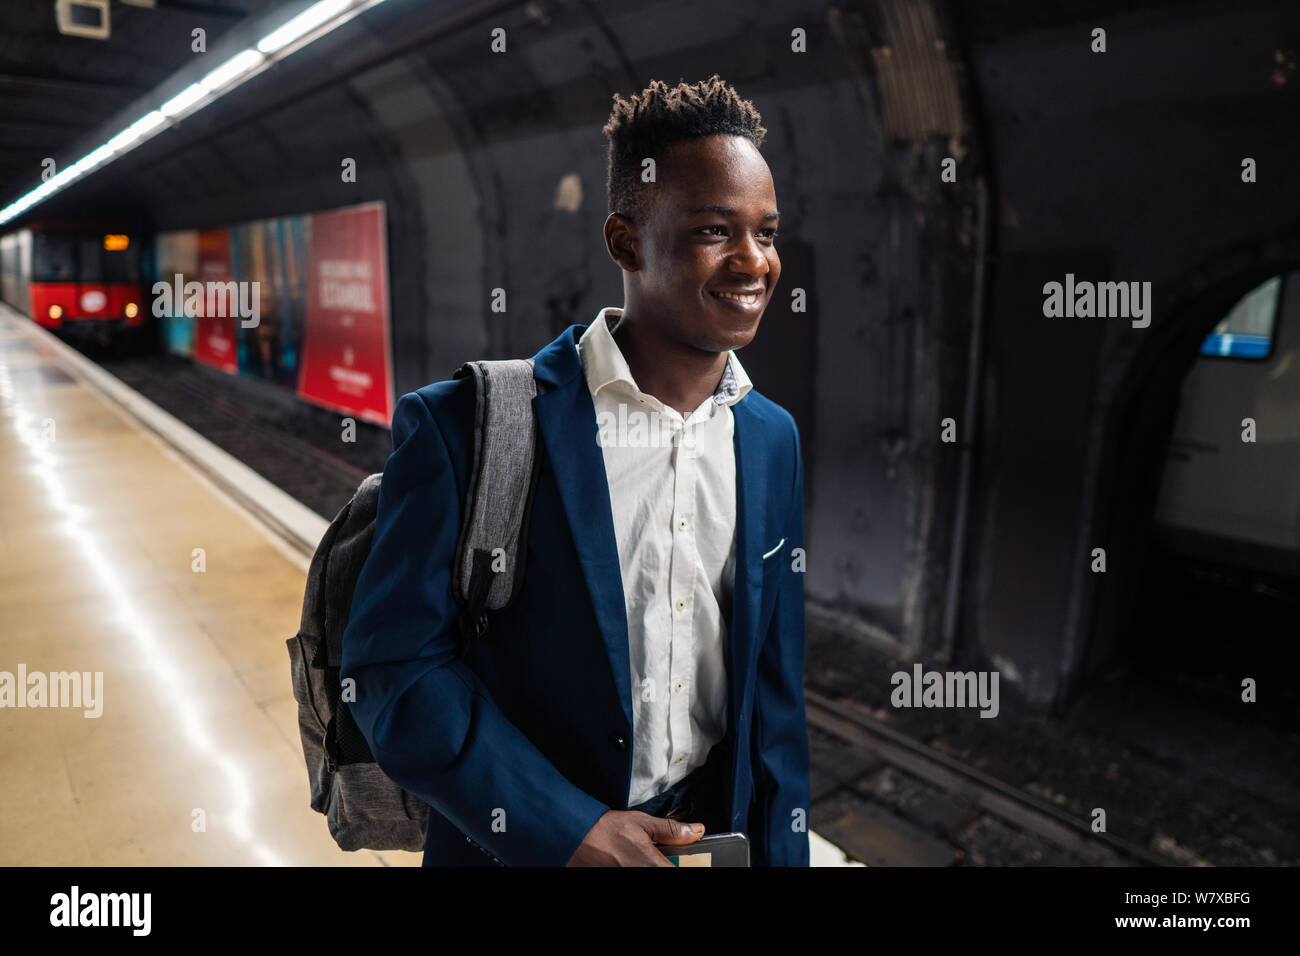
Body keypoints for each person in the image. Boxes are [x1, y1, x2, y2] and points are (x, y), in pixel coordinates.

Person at [341, 74, 810, 867]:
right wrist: (566, 830)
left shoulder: (770, 438)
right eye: (713, 232)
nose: (753, 262)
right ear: (625, 241)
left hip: (697, 845)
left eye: (766, 232)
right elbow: (392, 669)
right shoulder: (472, 424)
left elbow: (775, 703)